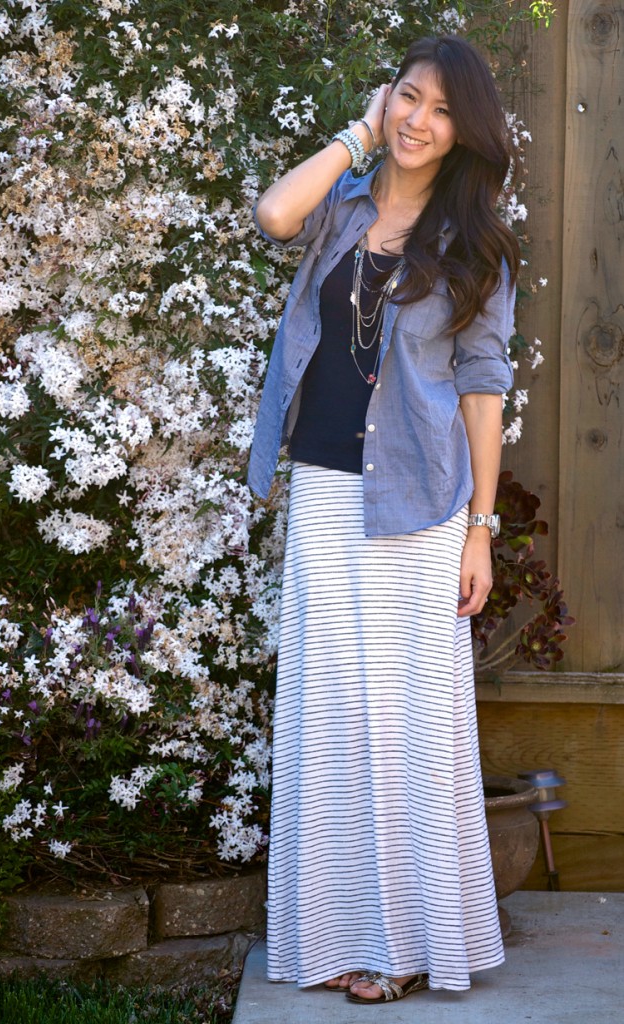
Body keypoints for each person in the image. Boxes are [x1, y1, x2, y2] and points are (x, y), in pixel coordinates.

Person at [247, 34, 519, 1004]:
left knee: (406, 726)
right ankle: (332, 935)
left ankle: (409, 942)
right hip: (325, 490)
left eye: (442, 110)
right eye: (409, 97)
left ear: (464, 133)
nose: (419, 120)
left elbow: (483, 390)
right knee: (328, 717)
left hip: (419, 507)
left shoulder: (473, 246)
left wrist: (482, 527)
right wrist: (358, 135)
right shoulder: (343, 207)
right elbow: (275, 212)